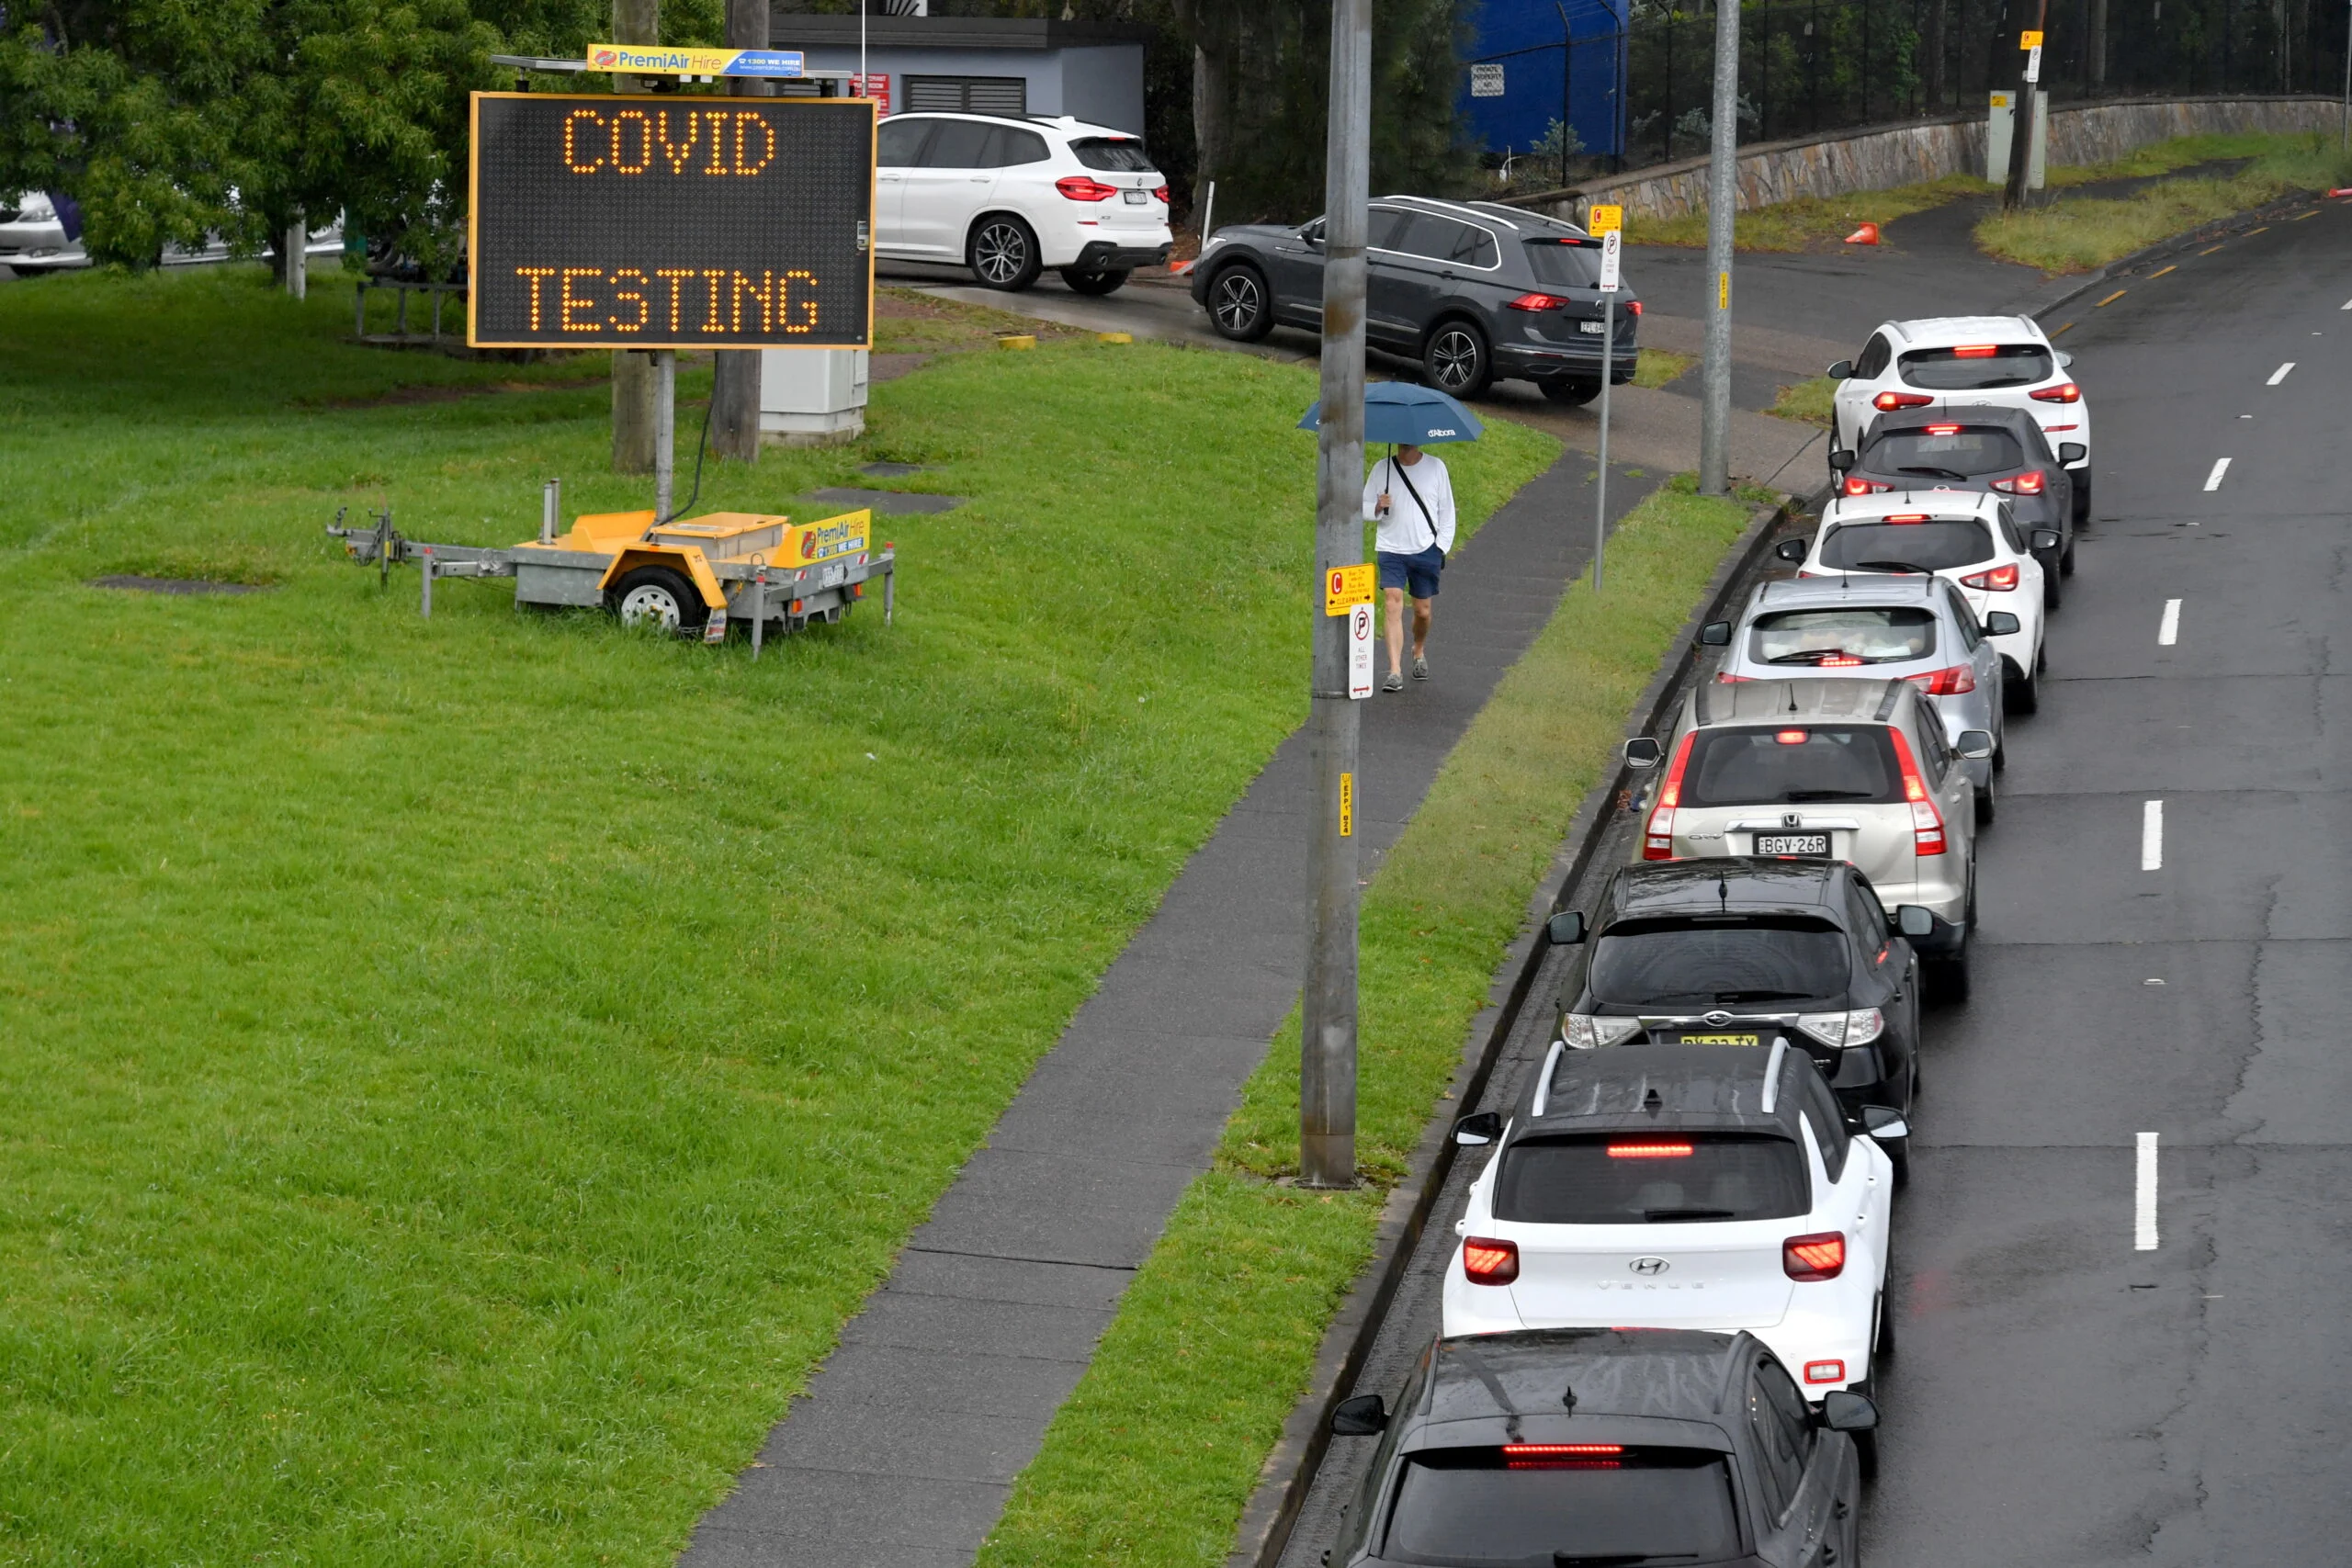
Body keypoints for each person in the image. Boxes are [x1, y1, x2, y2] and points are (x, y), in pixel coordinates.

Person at [1363, 443, 1457, 692]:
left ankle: (1418, 649)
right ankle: (1394, 671)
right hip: (1391, 548)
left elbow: (1447, 512)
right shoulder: (1382, 468)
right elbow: (1363, 507)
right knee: (1393, 601)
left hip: (1425, 549)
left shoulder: (1436, 468)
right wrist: (1377, 506)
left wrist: (1440, 548)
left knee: (1422, 611)